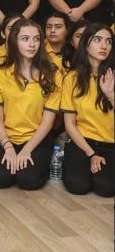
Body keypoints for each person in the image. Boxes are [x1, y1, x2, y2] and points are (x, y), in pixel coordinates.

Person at [0, 18, 61, 191]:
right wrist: (8, 147)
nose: (32, 44)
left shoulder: (53, 74)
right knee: (0, 179)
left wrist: (27, 150)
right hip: (6, 137)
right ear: (14, 41)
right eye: (25, 39)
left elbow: (48, 122)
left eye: (36, 39)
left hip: (36, 139)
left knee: (27, 180)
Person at [61, 23, 114, 197]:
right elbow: (69, 124)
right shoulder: (72, 78)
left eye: (108, 41)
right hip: (82, 142)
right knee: (77, 186)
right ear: (85, 44)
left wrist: (111, 95)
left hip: (111, 144)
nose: (104, 46)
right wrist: (91, 154)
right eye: (97, 40)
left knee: (105, 188)